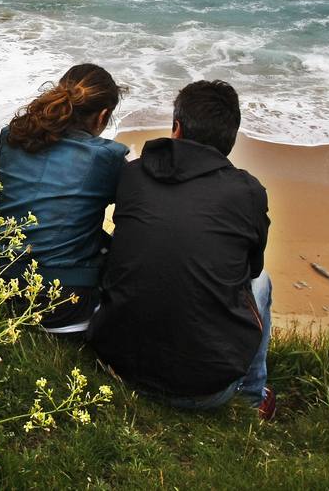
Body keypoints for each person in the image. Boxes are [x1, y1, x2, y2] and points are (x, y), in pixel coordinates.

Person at [88, 79, 276, 419]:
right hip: (205, 389)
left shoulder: (133, 174)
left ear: (177, 127)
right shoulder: (247, 192)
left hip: (114, 361)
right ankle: (252, 397)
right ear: (231, 140)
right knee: (261, 284)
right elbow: (251, 269)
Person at [0, 64, 128, 335]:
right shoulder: (105, 158)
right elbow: (136, 209)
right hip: (64, 304)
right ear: (103, 115)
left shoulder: (11, 137)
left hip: (1, 286)